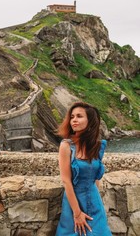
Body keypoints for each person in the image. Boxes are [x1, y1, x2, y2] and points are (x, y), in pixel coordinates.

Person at [55, 101, 112, 236]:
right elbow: (66, 181)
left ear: (90, 121)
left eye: (79, 116)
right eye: (72, 116)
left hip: (94, 202)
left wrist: (93, 199)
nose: (74, 120)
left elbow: (96, 178)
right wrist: (77, 213)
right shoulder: (66, 145)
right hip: (73, 204)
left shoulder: (97, 146)